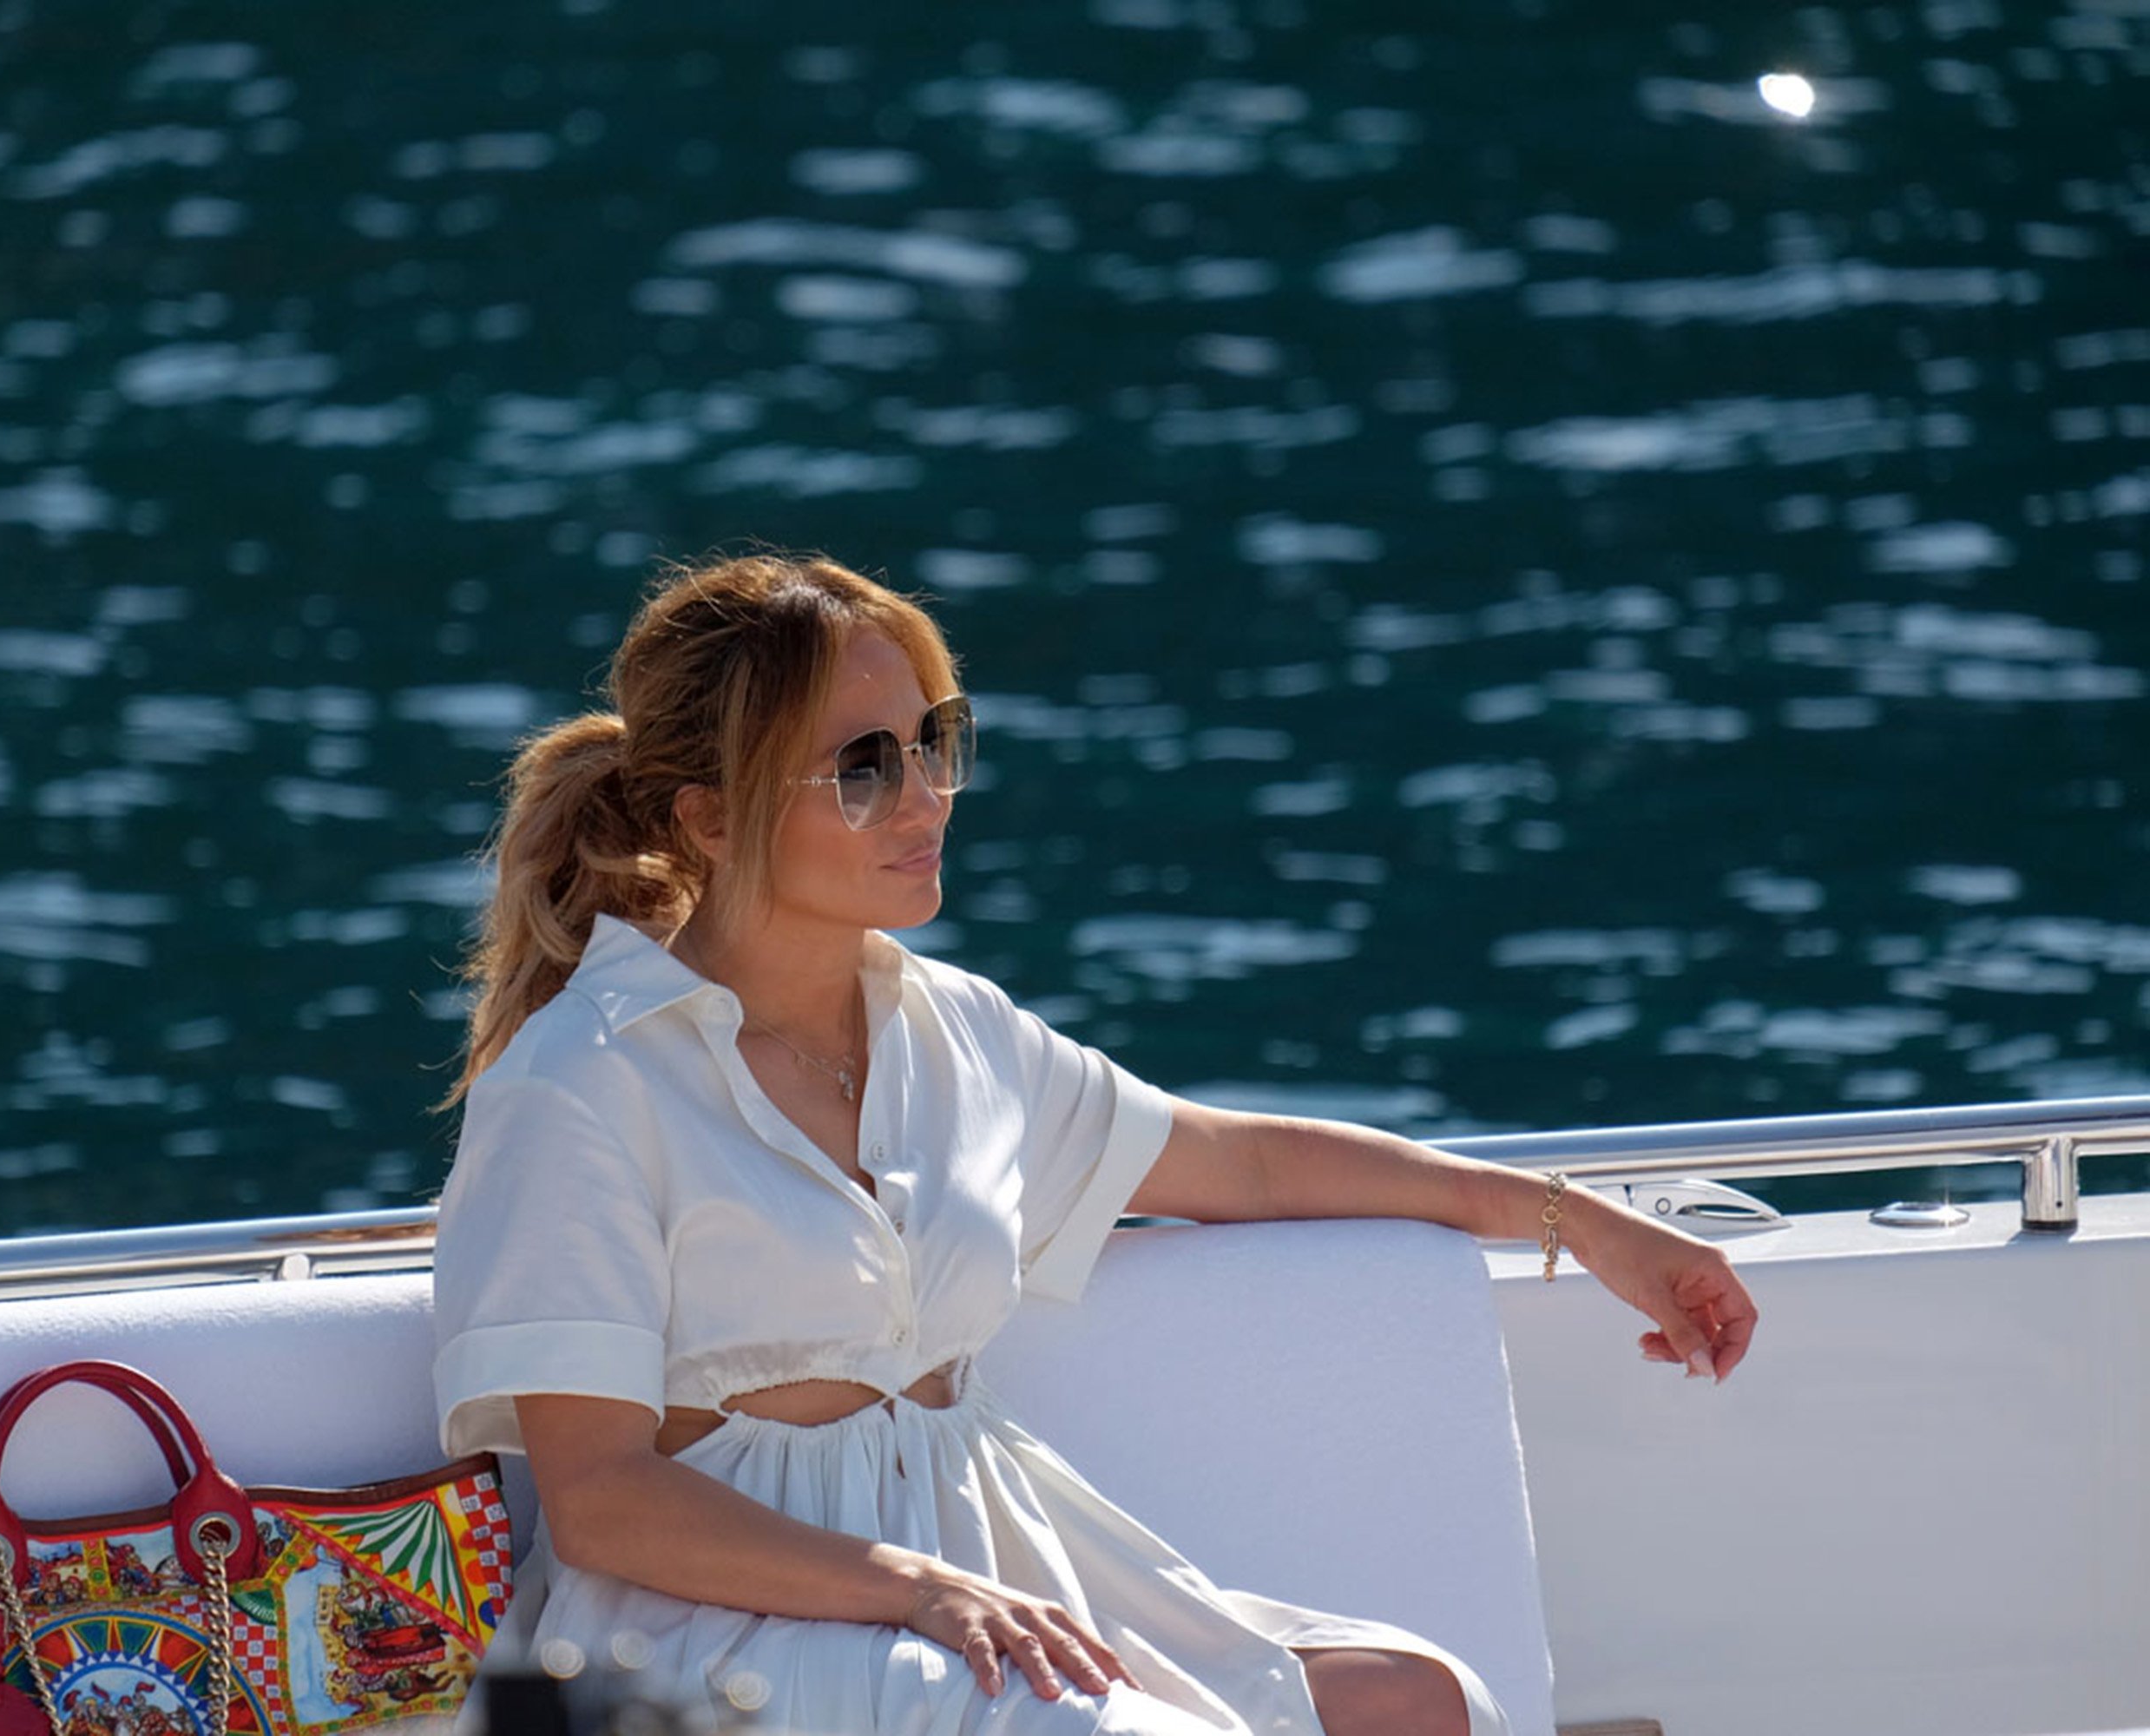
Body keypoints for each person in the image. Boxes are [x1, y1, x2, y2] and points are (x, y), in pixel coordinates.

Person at [430, 551, 1758, 1736]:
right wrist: (916, 1593)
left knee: (1416, 1700)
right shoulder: (581, 1080)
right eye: (862, 767)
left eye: (931, 742)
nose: (923, 797)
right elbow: (602, 1498)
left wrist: (1574, 1220)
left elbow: (1238, 1164)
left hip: (988, 1568)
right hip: (715, 1629)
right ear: (708, 819)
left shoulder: (951, 1030)